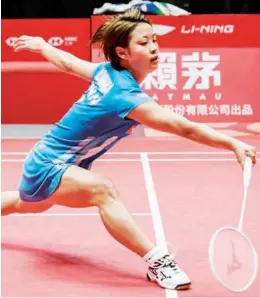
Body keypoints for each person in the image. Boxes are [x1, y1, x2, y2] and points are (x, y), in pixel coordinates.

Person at [1, 8, 256, 290]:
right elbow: (184, 127)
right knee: (103, 190)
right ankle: (158, 261)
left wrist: (42, 45)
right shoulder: (123, 95)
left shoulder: (107, 73)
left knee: (24, 204)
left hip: (60, 162)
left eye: (154, 40)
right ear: (123, 52)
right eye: (143, 43)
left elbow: (69, 63)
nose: (154, 47)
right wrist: (232, 142)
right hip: (49, 164)